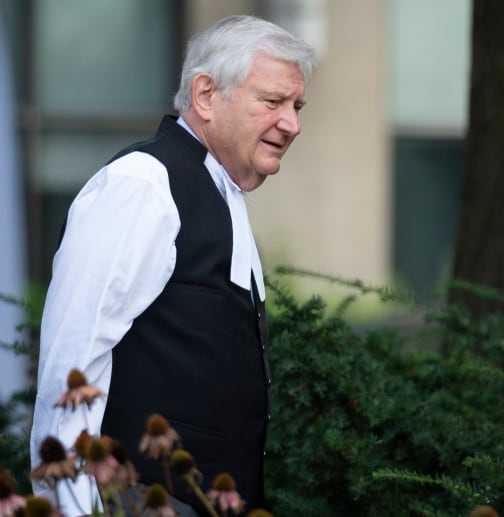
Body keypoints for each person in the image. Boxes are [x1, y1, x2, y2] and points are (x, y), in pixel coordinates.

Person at [29, 14, 315, 516]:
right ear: (205, 95)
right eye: (272, 102)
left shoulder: (220, 190)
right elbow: (72, 365)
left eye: (296, 106)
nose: (291, 123)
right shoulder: (140, 185)